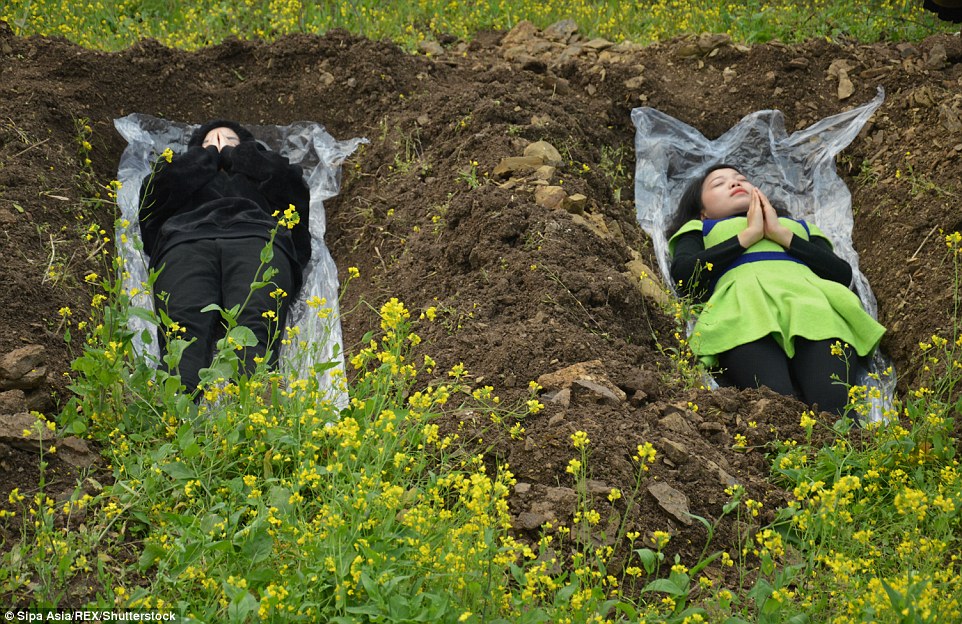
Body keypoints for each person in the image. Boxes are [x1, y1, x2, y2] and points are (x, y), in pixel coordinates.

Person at [667, 164, 885, 416]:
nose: (735, 183)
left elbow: (840, 274)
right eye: (718, 183)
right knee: (775, 407)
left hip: (815, 310)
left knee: (835, 407)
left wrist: (781, 234)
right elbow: (684, 276)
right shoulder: (700, 230)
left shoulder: (798, 228)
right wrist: (748, 236)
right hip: (742, 314)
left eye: (741, 179)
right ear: (702, 212)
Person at [139, 119, 311, 394]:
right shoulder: (180, 170)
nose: (220, 147)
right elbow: (151, 203)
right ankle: (171, 408)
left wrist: (241, 157)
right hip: (187, 240)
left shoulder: (260, 172)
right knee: (183, 328)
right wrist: (202, 159)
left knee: (254, 320)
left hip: (256, 237)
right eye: (210, 143)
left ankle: (256, 400)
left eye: (230, 141)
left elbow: (294, 191)